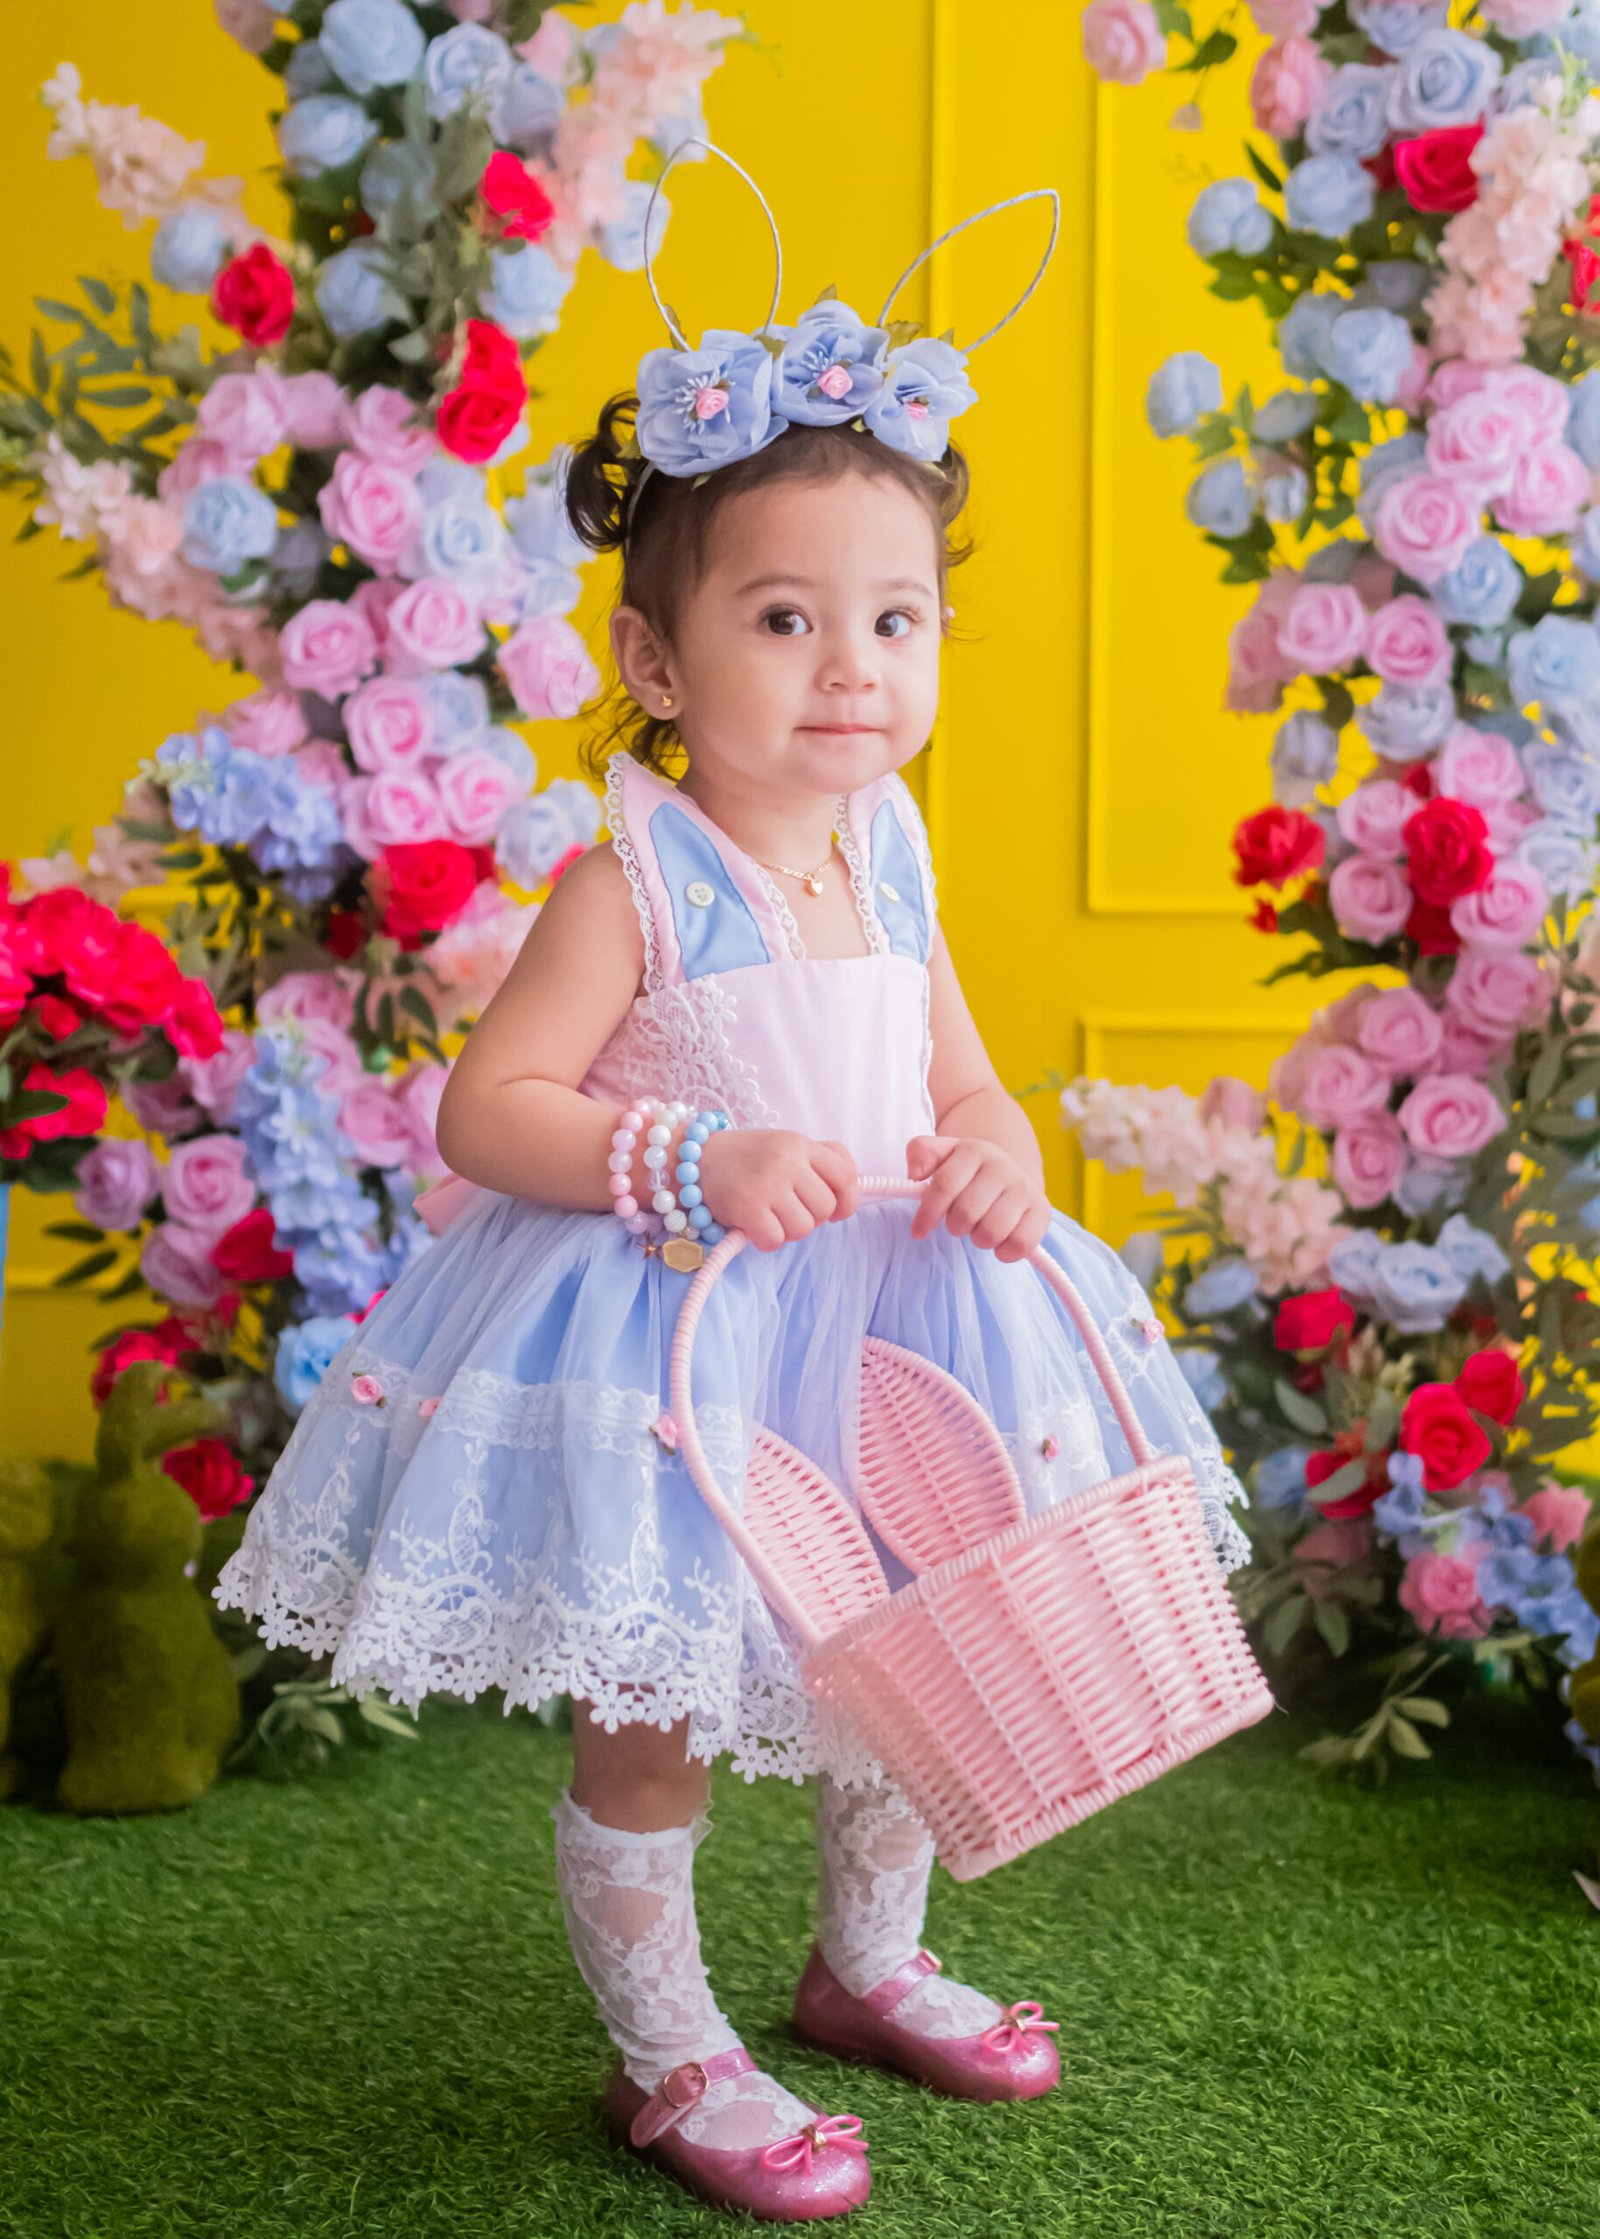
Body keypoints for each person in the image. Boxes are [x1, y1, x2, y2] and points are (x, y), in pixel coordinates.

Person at [215, 144, 1254, 2222]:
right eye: (786, 619)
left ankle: (863, 1958)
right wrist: (687, 1150)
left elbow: (963, 1075)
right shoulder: (634, 878)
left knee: (914, 1651)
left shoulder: (892, 852)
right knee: (661, 1711)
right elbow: (488, 1110)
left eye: (895, 619)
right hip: (680, 1351)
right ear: (662, 659)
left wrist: (991, 1151)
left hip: (885, 1325)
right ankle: (669, 2048)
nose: (852, 665)